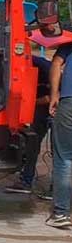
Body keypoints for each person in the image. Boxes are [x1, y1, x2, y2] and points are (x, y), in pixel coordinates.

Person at [6, 56, 51, 194]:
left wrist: (31, 103)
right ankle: (26, 181)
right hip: (39, 112)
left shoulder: (46, 68)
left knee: (59, 152)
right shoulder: (20, 68)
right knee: (32, 145)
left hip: (54, 111)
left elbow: (55, 96)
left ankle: (55, 190)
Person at [47, 44, 72, 228]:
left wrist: (55, 93)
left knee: (64, 158)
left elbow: (56, 64)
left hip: (69, 102)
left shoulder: (69, 41)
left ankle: (61, 213)